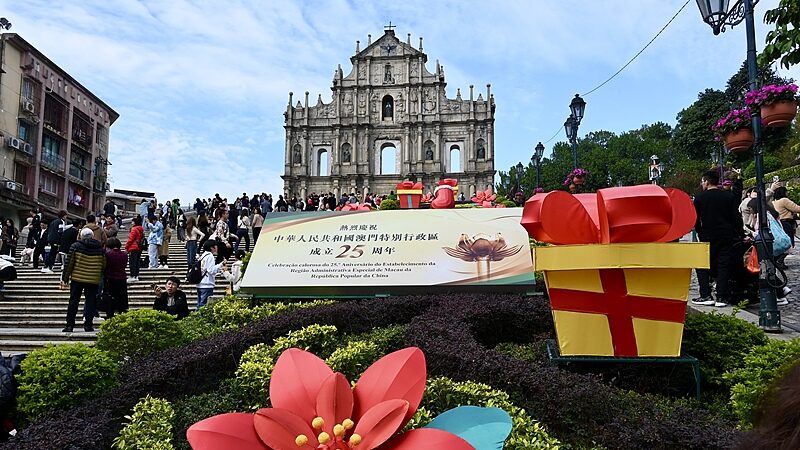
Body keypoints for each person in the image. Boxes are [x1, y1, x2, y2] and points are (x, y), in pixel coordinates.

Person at [691, 170, 743, 308]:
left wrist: (699, 231)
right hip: (726, 235)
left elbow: (695, 219)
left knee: (701, 264)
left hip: (707, 234)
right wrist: (740, 233)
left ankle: (706, 294)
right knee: (723, 265)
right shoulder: (728, 196)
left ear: (706, 181)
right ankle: (722, 297)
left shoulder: (700, 198)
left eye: (702, 181)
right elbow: (736, 217)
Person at [61, 228, 106, 332]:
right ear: (92, 236)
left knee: (73, 301)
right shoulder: (99, 248)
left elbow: (69, 263)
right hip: (93, 279)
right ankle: (88, 325)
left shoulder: (76, 246)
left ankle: (69, 325)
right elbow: (103, 264)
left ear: (81, 236)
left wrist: (65, 277)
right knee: (90, 302)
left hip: (77, 278)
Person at [102, 237, 128, 318]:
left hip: (110, 279)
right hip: (122, 279)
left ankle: (110, 316)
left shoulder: (107, 255)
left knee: (110, 301)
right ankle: (122, 316)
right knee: (121, 299)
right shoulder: (124, 255)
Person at [196, 240, 224, 310]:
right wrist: (220, 265)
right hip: (207, 283)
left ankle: (196, 318)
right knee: (204, 305)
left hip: (200, 283)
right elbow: (211, 270)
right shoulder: (210, 256)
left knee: (199, 304)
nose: (217, 247)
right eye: (216, 246)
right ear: (212, 247)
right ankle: (200, 320)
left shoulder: (203, 255)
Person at [125, 216, 145, 283]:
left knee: (132, 262)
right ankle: (136, 275)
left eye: (132, 221)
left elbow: (131, 239)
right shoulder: (141, 229)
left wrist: (126, 247)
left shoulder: (134, 229)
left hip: (133, 247)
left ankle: (132, 275)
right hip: (139, 247)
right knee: (137, 262)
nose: (131, 223)